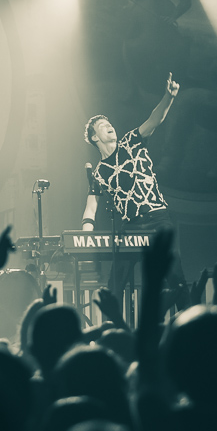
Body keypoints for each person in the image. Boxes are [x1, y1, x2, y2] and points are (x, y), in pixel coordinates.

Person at [81, 73, 185, 300]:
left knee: (175, 277)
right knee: (116, 283)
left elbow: (154, 119)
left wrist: (169, 97)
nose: (109, 126)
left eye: (109, 124)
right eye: (103, 126)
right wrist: (83, 241)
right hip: (132, 226)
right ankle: (111, 327)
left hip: (158, 219)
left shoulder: (131, 141)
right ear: (94, 137)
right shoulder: (99, 173)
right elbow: (91, 208)